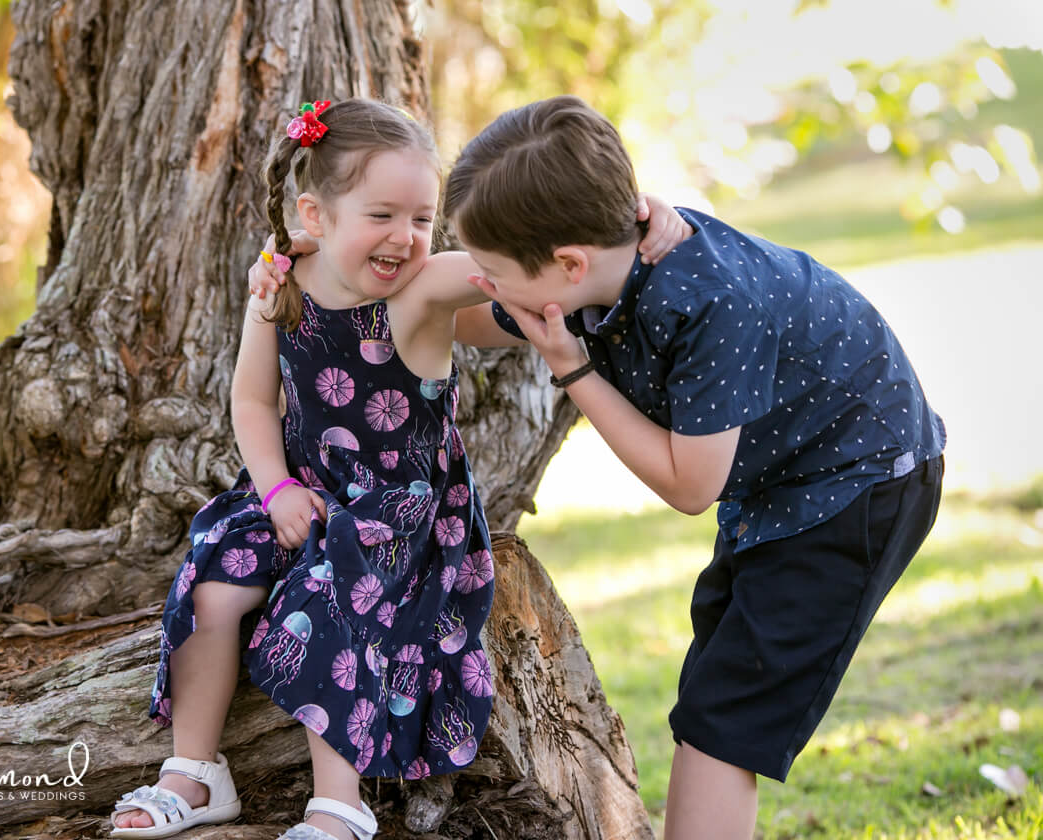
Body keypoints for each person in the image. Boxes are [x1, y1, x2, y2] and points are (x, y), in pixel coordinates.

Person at [109, 98, 687, 840]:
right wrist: (277, 487)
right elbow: (252, 401)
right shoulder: (281, 277)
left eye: (422, 218)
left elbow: (538, 257)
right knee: (212, 582)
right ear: (314, 215)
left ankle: (339, 804)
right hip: (304, 492)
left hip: (401, 512)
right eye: (382, 215)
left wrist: (643, 216)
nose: (405, 238)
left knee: (328, 595)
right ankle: (194, 773)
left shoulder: (424, 288)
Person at [439, 96, 946, 840]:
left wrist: (574, 370)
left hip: (859, 484)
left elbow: (688, 486)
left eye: (488, 268)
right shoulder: (593, 268)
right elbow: (457, 313)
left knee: (729, 714)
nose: (477, 281)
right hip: (783, 484)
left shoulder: (711, 303)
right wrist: (359, 285)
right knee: (713, 690)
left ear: (567, 264)